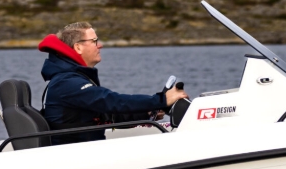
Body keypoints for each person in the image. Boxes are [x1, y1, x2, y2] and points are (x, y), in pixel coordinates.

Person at [38, 21, 189, 143]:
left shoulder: (71, 78)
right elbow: (111, 101)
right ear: (78, 47)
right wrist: (162, 99)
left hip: (83, 152)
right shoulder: (66, 82)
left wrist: (147, 112)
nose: (100, 45)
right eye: (94, 41)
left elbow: (107, 115)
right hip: (76, 158)